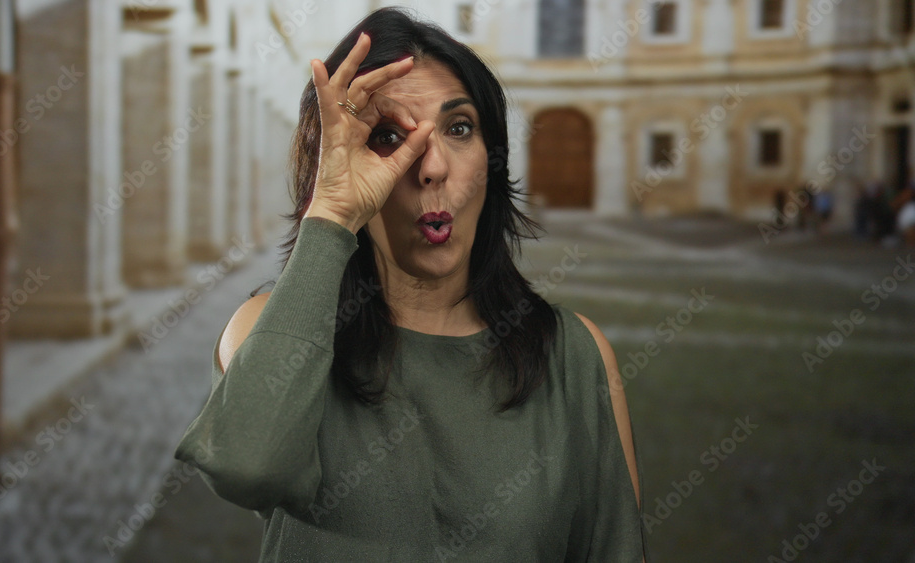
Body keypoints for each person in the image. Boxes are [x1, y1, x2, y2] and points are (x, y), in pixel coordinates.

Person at [174, 7, 648, 561]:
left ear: (492, 162)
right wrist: (329, 216)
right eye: (388, 136)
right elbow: (247, 466)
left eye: (459, 128)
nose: (432, 166)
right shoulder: (267, 331)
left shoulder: (575, 356)